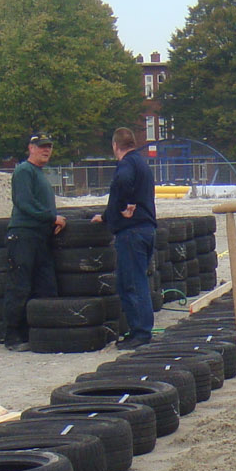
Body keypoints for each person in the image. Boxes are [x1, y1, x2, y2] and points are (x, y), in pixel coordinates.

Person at [92, 126, 158, 348]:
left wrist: (124, 205)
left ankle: (140, 334)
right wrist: (106, 216)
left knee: (132, 283)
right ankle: (140, 331)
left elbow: (122, 183)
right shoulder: (141, 163)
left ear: (115, 145)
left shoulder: (126, 164)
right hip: (146, 229)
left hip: (132, 232)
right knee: (136, 281)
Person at [3, 133, 66, 351]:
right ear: (31, 148)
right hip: (23, 235)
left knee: (46, 286)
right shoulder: (23, 171)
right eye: (41, 147)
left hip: (40, 237)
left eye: (49, 147)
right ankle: (12, 337)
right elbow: (24, 203)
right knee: (19, 286)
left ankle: (42, 334)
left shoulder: (40, 174)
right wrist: (51, 217)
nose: (46, 150)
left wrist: (52, 221)